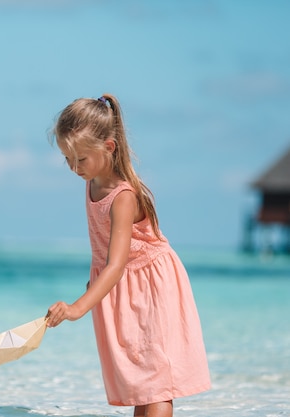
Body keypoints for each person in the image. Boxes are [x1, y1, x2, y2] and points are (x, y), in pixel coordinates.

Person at [46, 94, 211, 417]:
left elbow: (117, 262)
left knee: (157, 381)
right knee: (140, 380)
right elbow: (105, 252)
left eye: (80, 159)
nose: (74, 168)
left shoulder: (123, 197)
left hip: (150, 286)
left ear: (109, 147)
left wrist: (77, 307)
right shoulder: (92, 182)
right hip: (120, 287)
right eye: (68, 158)